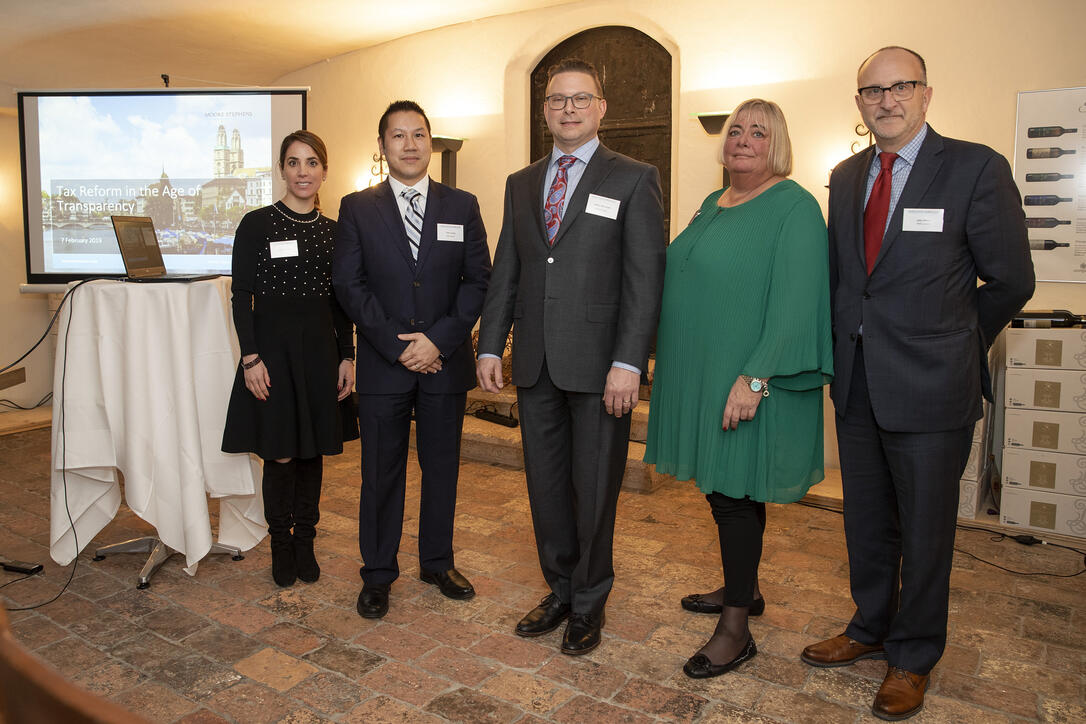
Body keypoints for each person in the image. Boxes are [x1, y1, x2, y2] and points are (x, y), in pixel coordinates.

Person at [800, 47, 1034, 721]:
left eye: (900, 86)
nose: (886, 100)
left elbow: (1013, 279)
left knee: (927, 531)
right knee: (867, 521)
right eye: (872, 90)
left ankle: (913, 655)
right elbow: (847, 281)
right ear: (859, 102)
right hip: (858, 383)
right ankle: (870, 627)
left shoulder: (974, 167)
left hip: (934, 387)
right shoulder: (845, 177)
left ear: (926, 94)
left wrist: (956, 343)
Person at [476, 58, 667, 655]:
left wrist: (630, 362)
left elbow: (644, 278)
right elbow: (508, 268)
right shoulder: (522, 182)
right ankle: (559, 588)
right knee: (547, 486)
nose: (568, 108)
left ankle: (589, 600)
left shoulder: (634, 178)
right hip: (534, 363)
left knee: (594, 487)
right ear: (545, 110)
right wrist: (489, 343)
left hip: (601, 367)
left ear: (601, 108)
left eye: (580, 98)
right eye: (557, 100)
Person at [645, 98, 833, 679]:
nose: (743, 140)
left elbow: (797, 305)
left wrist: (754, 378)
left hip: (745, 378)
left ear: (776, 144)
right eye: (735, 131)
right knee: (730, 488)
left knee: (733, 495)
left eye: (758, 132)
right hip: (698, 372)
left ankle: (735, 630)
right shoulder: (714, 202)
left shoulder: (795, 208)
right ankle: (743, 589)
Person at [333, 101, 491, 620]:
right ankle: (378, 573)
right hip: (384, 365)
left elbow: (478, 282)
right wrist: (399, 346)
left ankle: (437, 561)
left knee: (442, 467)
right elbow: (348, 285)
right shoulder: (358, 207)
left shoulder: (462, 205)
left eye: (418, 134)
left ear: (431, 142)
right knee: (381, 472)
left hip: (444, 364)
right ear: (383, 146)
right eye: (397, 135)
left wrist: (438, 341)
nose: (409, 143)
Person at [222, 130, 357, 588]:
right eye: (295, 163)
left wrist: (347, 355)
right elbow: (242, 297)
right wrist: (250, 358)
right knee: (280, 455)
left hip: (320, 356)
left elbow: (341, 303)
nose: (304, 172)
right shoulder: (256, 224)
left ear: (324, 170)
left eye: (312, 162)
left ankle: (306, 542)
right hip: (272, 357)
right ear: (282, 169)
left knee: (312, 452)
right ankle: (280, 543)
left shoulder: (336, 232)